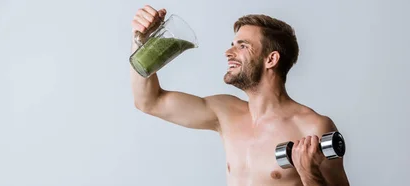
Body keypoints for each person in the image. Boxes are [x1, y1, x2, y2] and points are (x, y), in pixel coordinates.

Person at [130, 5, 350, 186]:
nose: (228, 52)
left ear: (271, 60)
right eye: (232, 45)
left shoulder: (313, 128)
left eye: (242, 46)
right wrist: (142, 43)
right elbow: (149, 101)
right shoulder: (224, 113)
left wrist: (309, 174)